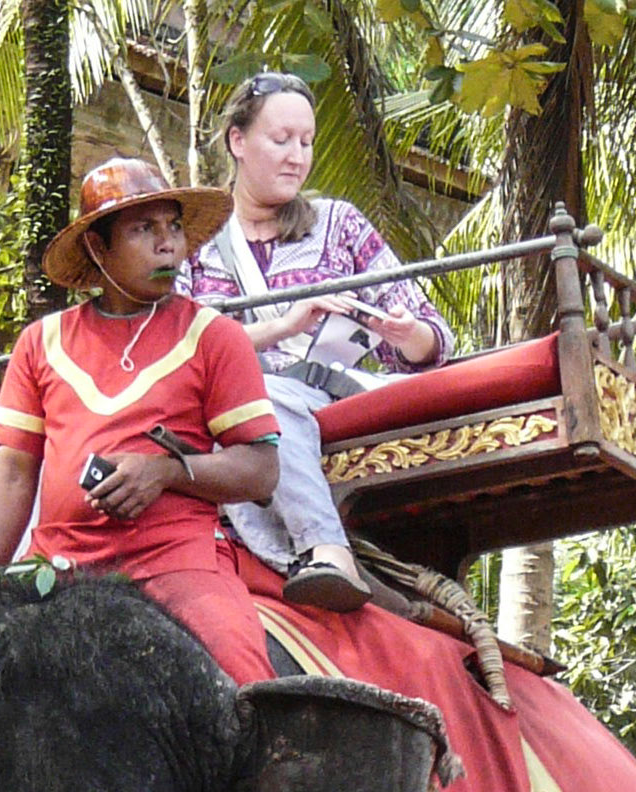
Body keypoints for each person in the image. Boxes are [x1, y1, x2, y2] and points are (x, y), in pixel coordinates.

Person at [0, 158, 282, 687]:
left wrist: (164, 473)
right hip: (56, 570)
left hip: (176, 564)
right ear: (97, 247)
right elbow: (14, 473)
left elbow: (261, 471)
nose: (168, 245)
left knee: (243, 683)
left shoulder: (214, 336)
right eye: (143, 229)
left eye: (174, 227)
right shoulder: (41, 342)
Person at [178, 72, 455, 611]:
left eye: (306, 143)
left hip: (337, 388)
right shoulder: (195, 241)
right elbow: (182, 348)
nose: (296, 157)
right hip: (245, 404)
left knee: (264, 402)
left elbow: (435, 339)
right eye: (281, 140)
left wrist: (405, 333)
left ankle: (325, 550)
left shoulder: (339, 224)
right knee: (257, 400)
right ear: (238, 141)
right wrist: (284, 326)